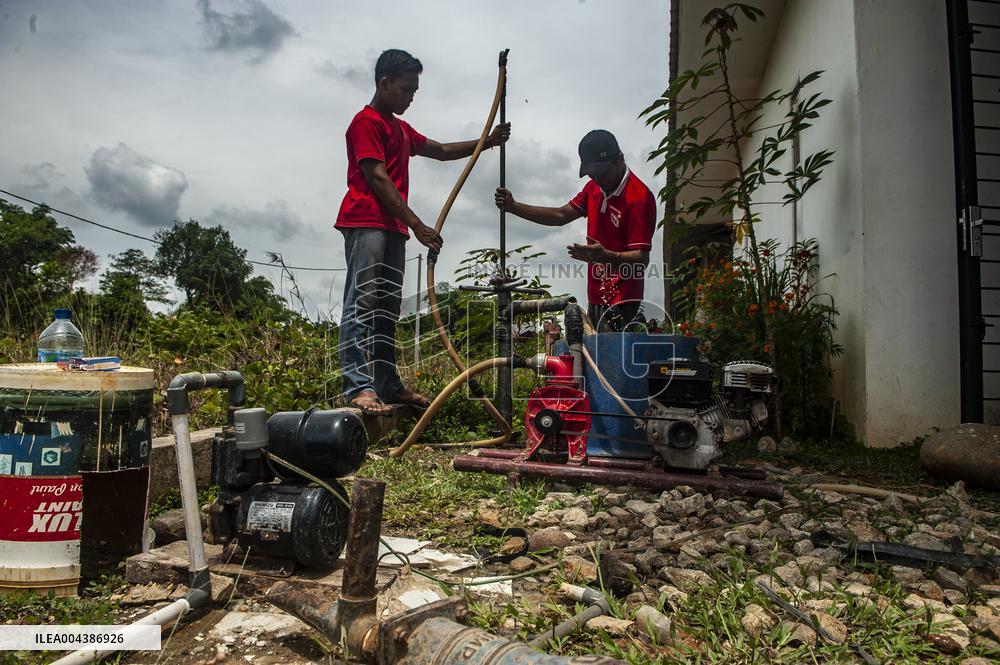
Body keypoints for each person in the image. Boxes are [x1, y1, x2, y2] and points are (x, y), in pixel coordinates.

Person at [337, 48, 510, 415]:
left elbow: (443, 149)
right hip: (367, 222)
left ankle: (387, 385)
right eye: (405, 90)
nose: (411, 97)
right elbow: (377, 177)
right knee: (362, 304)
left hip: (394, 228)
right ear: (384, 84)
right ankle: (357, 387)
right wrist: (418, 224)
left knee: (387, 310)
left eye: (414, 90)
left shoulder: (400, 128)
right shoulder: (366, 122)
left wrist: (488, 141)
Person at [494, 129, 655, 332]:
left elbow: (642, 258)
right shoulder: (593, 189)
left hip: (623, 300)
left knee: (607, 359)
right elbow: (561, 215)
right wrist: (513, 207)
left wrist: (606, 256)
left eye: (601, 173)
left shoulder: (638, 198)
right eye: (592, 174)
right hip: (596, 294)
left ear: (619, 160)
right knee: (592, 356)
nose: (597, 180)